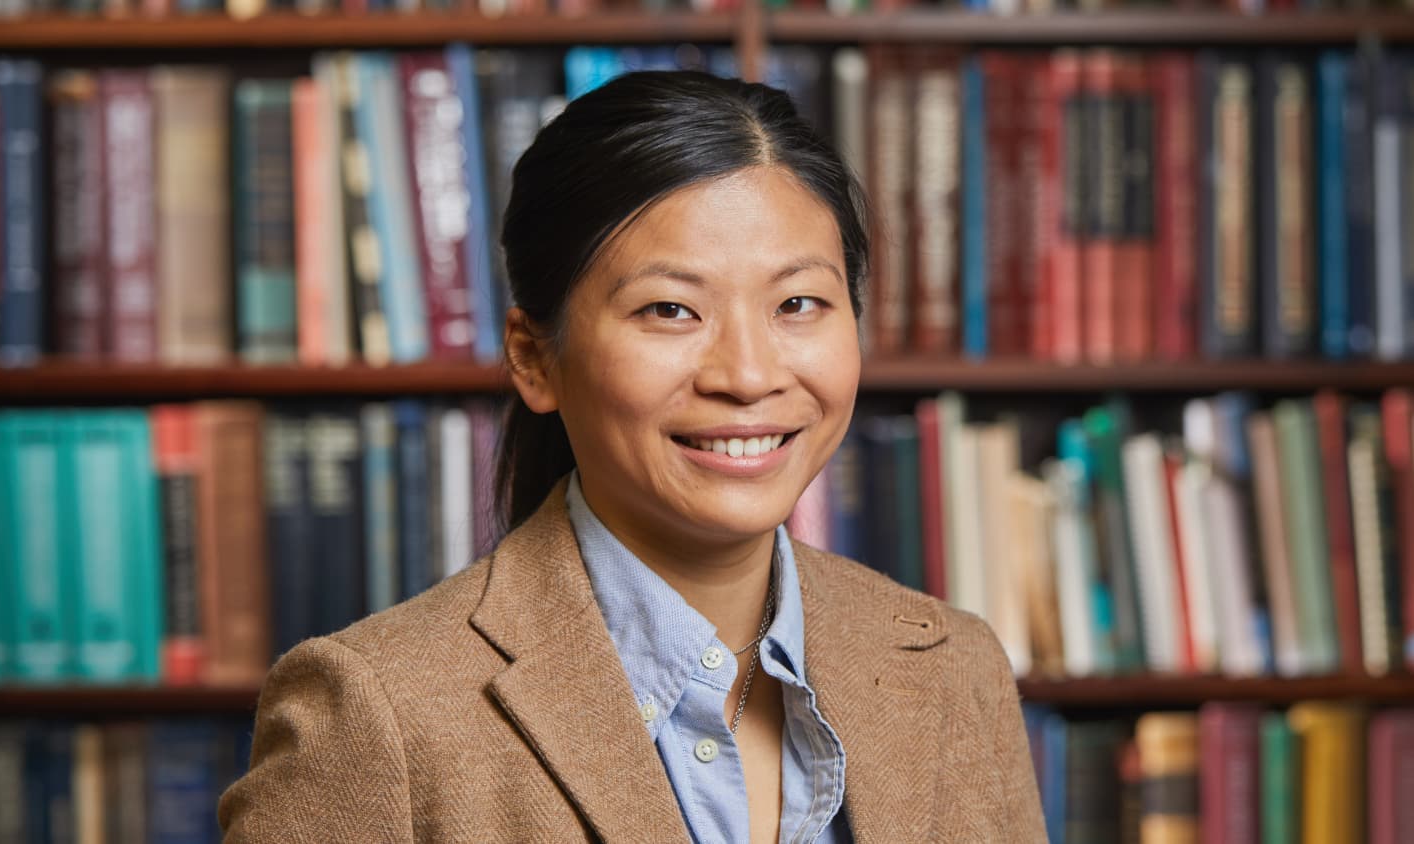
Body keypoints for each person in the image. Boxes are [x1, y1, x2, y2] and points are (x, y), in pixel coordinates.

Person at [218, 70, 1043, 843]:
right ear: (535, 358)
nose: (749, 376)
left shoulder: (951, 668)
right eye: (671, 310)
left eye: (799, 303)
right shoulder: (374, 714)